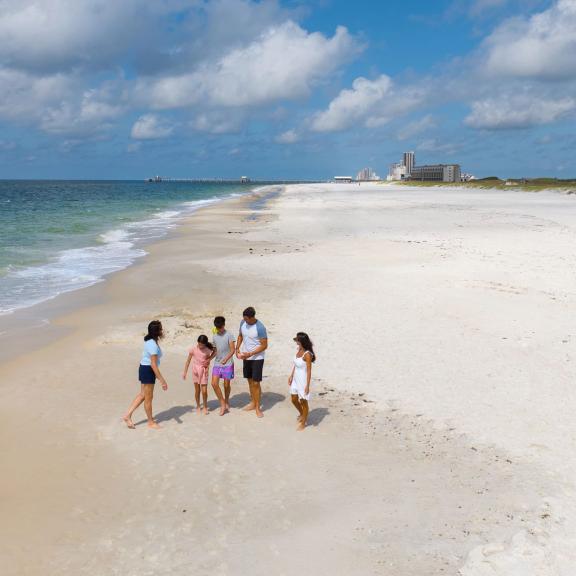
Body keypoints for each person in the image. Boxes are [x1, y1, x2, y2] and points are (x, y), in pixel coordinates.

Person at [123, 320, 168, 430]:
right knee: (148, 398)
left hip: (144, 368)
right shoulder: (152, 344)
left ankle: (127, 415)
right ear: (157, 332)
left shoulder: (150, 341)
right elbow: (153, 364)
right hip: (148, 370)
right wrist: (162, 380)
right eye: (161, 329)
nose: (162, 330)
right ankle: (150, 422)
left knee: (143, 395)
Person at [236, 306, 268, 418]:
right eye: (244, 319)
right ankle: (253, 402)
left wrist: (251, 353)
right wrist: (237, 348)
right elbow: (240, 336)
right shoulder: (242, 323)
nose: (245, 321)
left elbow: (264, 345)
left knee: (256, 383)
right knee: (249, 381)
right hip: (245, 356)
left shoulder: (260, 327)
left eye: (246, 319)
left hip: (257, 358)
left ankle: (258, 408)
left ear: (251, 317)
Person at [288, 332, 316, 431]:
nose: (296, 341)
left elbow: (309, 371)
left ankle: (304, 423)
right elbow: (295, 364)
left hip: (303, 380)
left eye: (297, 340)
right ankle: (302, 414)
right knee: (294, 399)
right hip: (295, 378)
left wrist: (307, 386)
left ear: (301, 341)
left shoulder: (307, 355)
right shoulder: (299, 349)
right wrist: (291, 375)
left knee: (303, 401)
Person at [183, 335, 216, 415]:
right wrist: (185, 372)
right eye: (199, 344)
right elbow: (188, 361)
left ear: (205, 344)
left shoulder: (208, 350)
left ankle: (205, 407)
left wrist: (208, 362)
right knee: (197, 390)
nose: (200, 346)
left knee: (204, 391)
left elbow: (214, 353)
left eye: (202, 344)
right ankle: (198, 406)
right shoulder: (193, 349)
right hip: (195, 371)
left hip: (203, 371)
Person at [211, 316, 235, 416]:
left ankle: (227, 400)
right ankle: (222, 403)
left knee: (226, 385)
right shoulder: (214, 336)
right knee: (214, 384)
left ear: (224, 325)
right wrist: (208, 359)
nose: (219, 329)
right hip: (217, 363)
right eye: (217, 328)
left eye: (220, 327)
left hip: (228, 363)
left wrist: (226, 358)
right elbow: (215, 351)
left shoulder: (229, 335)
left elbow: (232, 349)